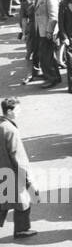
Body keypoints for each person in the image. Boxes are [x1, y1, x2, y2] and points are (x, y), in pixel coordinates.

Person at [0, 97, 35, 239]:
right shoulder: (10, 130)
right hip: (12, 173)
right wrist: (27, 178)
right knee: (24, 201)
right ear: (9, 111)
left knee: (2, 203)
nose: (19, 112)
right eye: (17, 109)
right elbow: (17, 157)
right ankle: (21, 230)